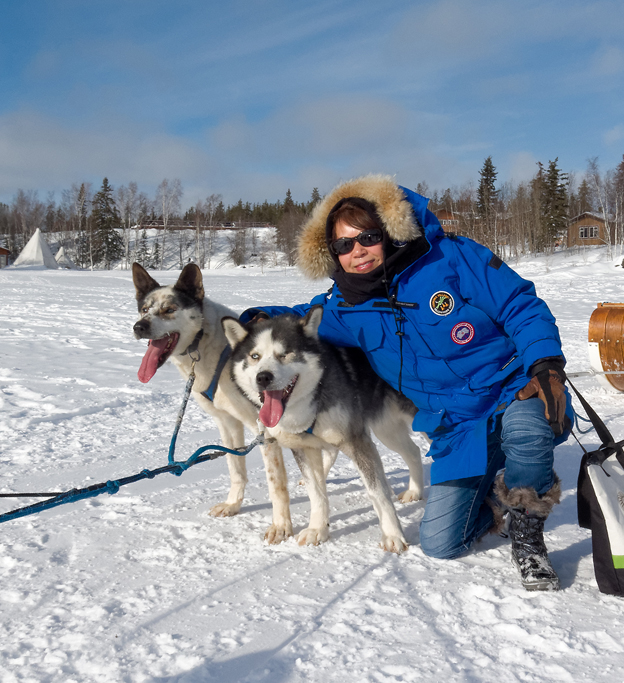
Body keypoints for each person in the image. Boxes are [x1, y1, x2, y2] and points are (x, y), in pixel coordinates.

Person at [242, 175, 572, 591]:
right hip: (456, 424)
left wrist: (545, 363)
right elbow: (299, 320)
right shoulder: (342, 308)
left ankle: (528, 536)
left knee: (524, 432)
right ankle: (493, 493)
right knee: (440, 543)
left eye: (367, 237)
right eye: (343, 245)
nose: (356, 251)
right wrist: (254, 320)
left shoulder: (449, 258)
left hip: (513, 388)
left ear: (389, 231)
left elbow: (518, 304)